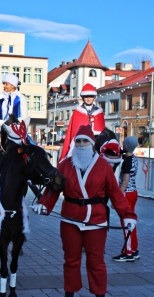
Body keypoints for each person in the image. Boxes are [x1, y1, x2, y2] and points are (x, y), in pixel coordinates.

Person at [31, 125, 137, 297]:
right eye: (78, 141)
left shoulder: (103, 166)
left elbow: (115, 193)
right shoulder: (64, 164)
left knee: (96, 261)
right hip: (70, 219)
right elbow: (54, 188)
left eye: (85, 141)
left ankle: (99, 294)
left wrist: (127, 215)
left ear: (92, 144)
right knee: (71, 260)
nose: (81, 145)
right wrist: (43, 204)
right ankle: (69, 293)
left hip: (96, 220)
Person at [59, 83, 105, 161]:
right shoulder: (78, 112)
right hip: (80, 143)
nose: (88, 99)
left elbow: (102, 131)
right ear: (82, 98)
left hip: (95, 143)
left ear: (94, 98)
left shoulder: (99, 112)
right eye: (86, 96)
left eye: (91, 96)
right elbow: (73, 131)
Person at [112, 136, 140, 262]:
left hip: (126, 194)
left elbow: (125, 181)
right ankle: (134, 249)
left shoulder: (127, 161)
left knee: (126, 223)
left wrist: (117, 197)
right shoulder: (134, 159)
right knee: (132, 222)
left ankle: (128, 252)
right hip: (133, 192)